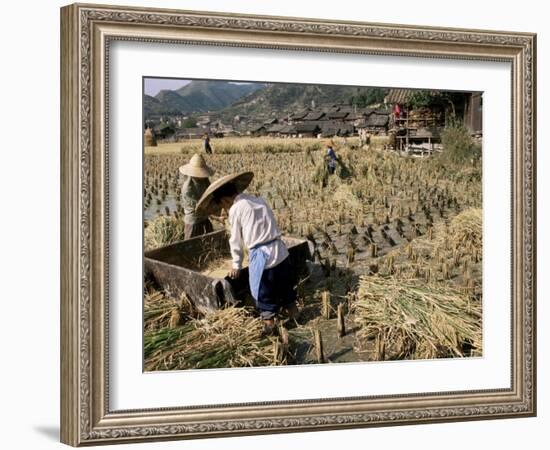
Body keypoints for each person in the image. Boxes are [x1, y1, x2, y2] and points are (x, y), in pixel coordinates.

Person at [196, 172, 299, 333]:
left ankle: (269, 325)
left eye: (223, 206)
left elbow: (235, 239)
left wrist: (236, 265)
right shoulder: (258, 200)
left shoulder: (236, 209)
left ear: (225, 200)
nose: (225, 209)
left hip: (264, 257)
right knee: (284, 286)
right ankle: (294, 313)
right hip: (281, 251)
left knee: (263, 292)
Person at [178, 153, 215, 240]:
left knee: (210, 241)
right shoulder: (187, 189)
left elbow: (210, 193)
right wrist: (215, 216)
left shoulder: (205, 180)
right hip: (193, 219)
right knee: (191, 244)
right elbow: (198, 209)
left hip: (205, 216)